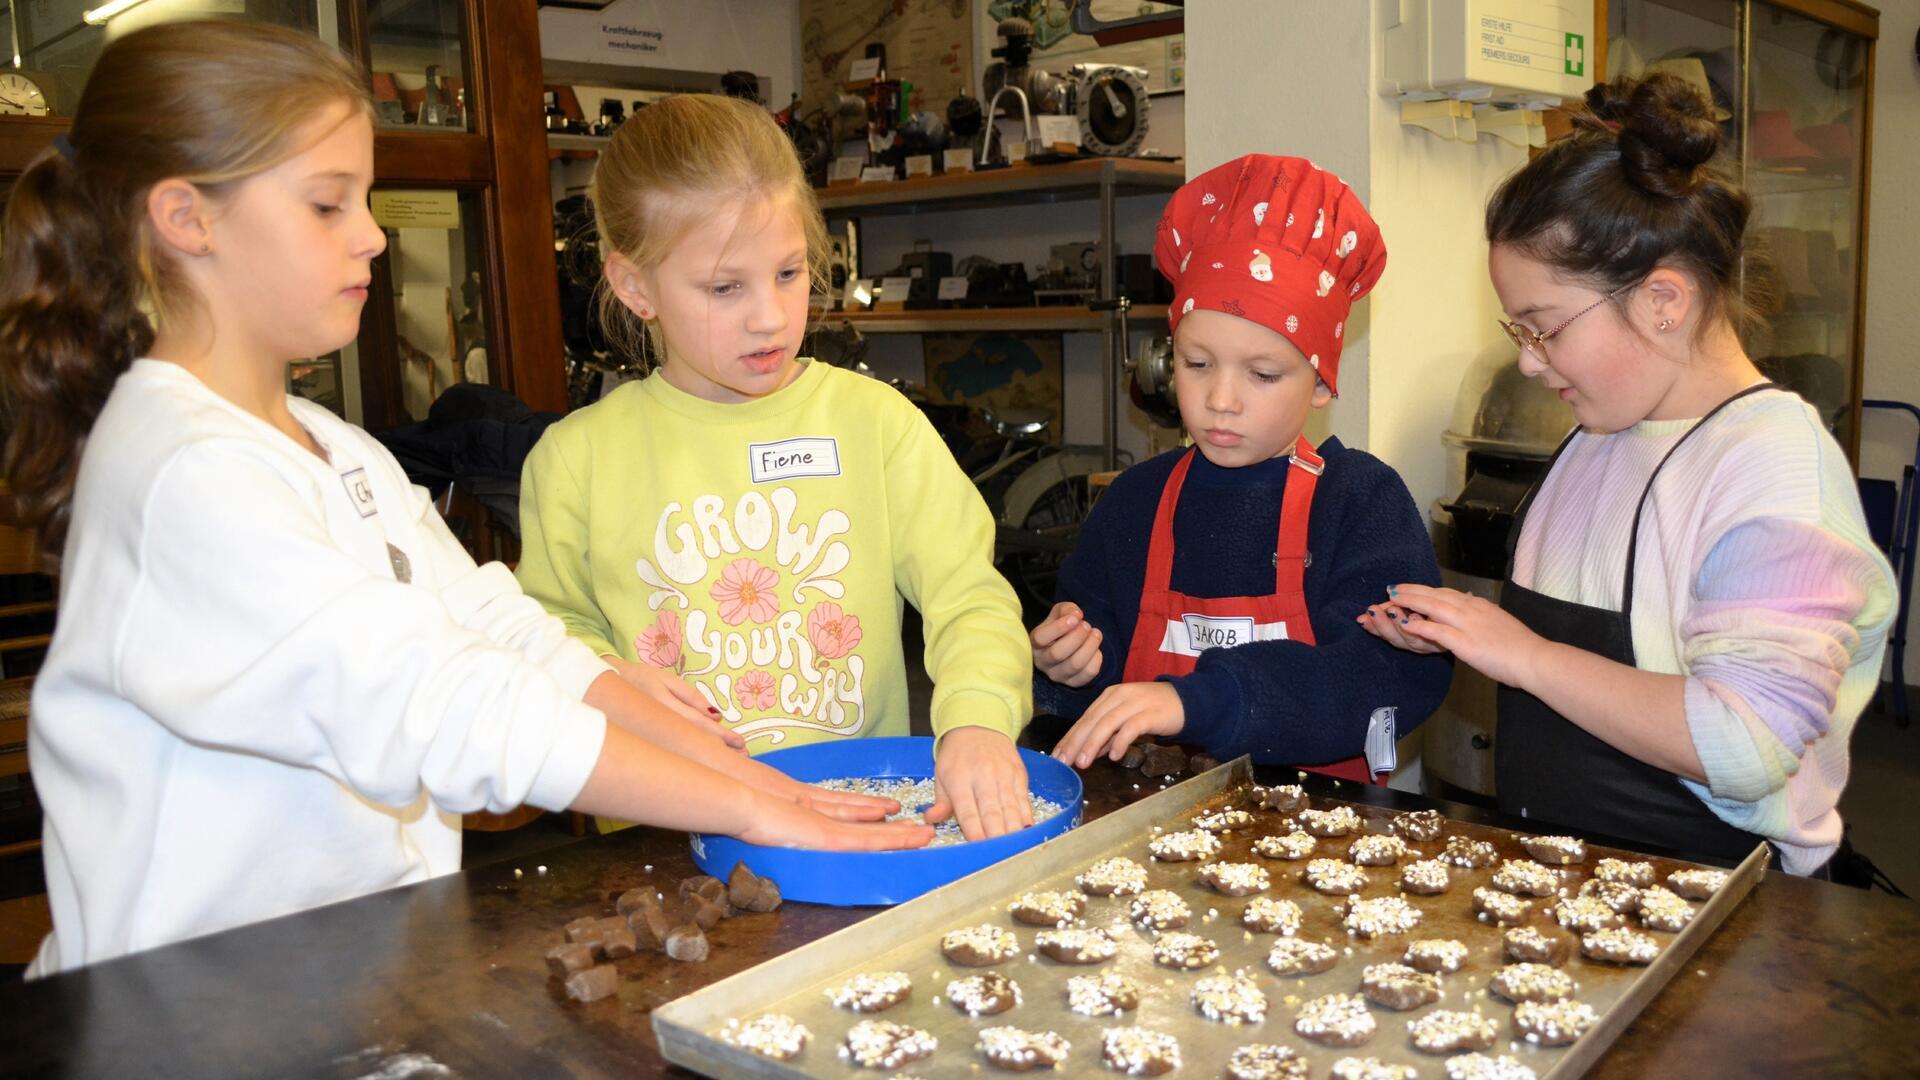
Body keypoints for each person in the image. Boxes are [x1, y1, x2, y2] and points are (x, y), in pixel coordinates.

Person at [0, 22, 926, 977]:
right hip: (182, 1006)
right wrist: (753, 807)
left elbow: (506, 632)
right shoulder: (180, 473)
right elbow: (445, 704)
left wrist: (755, 776)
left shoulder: (335, 447)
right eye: (327, 205)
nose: (371, 234)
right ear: (187, 219)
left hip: (342, 975)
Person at [1363, 73, 1895, 875]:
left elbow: (1747, 746)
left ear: (1663, 301)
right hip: (1577, 875)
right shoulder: (1600, 435)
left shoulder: (1775, 467)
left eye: (1544, 330)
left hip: (1727, 898)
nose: (1526, 362)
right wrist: (1464, 640)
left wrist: (1525, 655)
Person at [514, 94, 1036, 840]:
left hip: (863, 820)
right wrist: (604, 668)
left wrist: (979, 721)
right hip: (667, 839)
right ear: (635, 288)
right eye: (725, 288)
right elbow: (547, 629)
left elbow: (969, 597)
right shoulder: (576, 458)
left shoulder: (876, 424)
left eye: (789, 273)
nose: (769, 316)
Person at [1036, 155, 1452, 778]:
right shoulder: (1135, 502)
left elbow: (1383, 677)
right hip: (1147, 820)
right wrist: (1071, 666)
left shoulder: (1359, 501)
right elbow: (1091, 674)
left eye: (1261, 374)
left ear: (1320, 383)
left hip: (1317, 830)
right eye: (1196, 363)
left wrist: (1198, 700)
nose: (1221, 399)